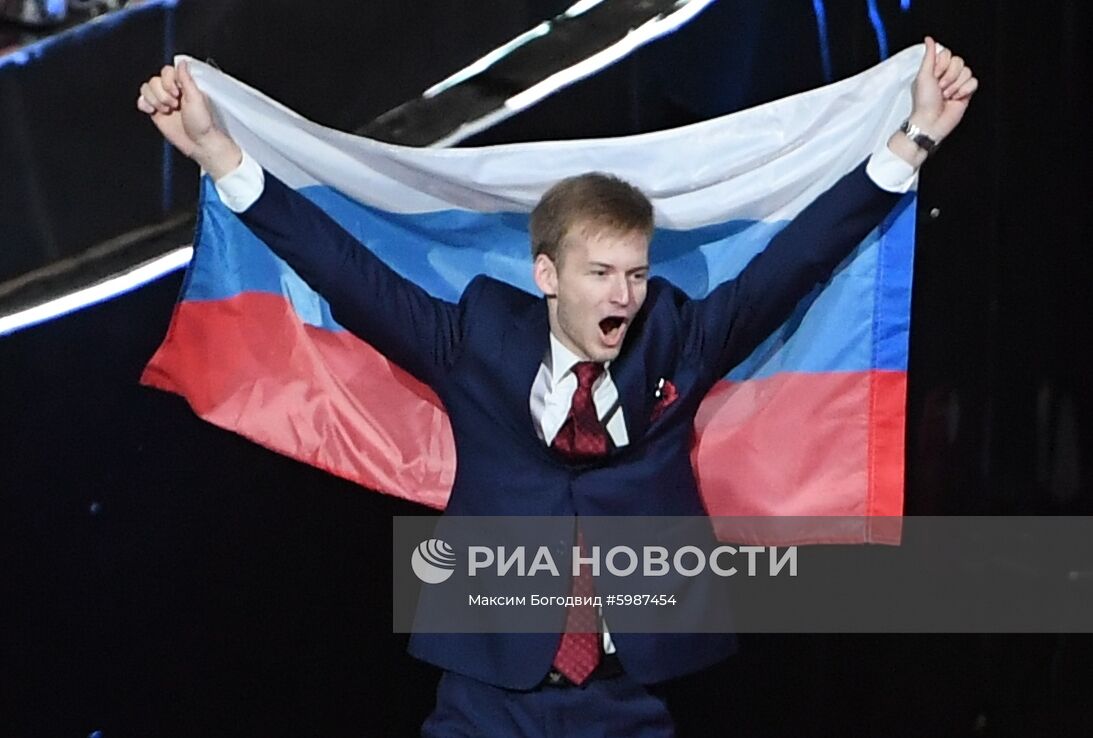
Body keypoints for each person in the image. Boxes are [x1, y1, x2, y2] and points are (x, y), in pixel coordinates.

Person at [138, 37, 976, 737]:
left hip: (632, 691)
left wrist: (913, 141)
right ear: (545, 274)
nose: (622, 295)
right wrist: (217, 152)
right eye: (601, 273)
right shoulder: (471, 339)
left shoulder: (678, 339)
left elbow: (796, 260)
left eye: (637, 274)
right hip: (486, 690)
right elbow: (339, 266)